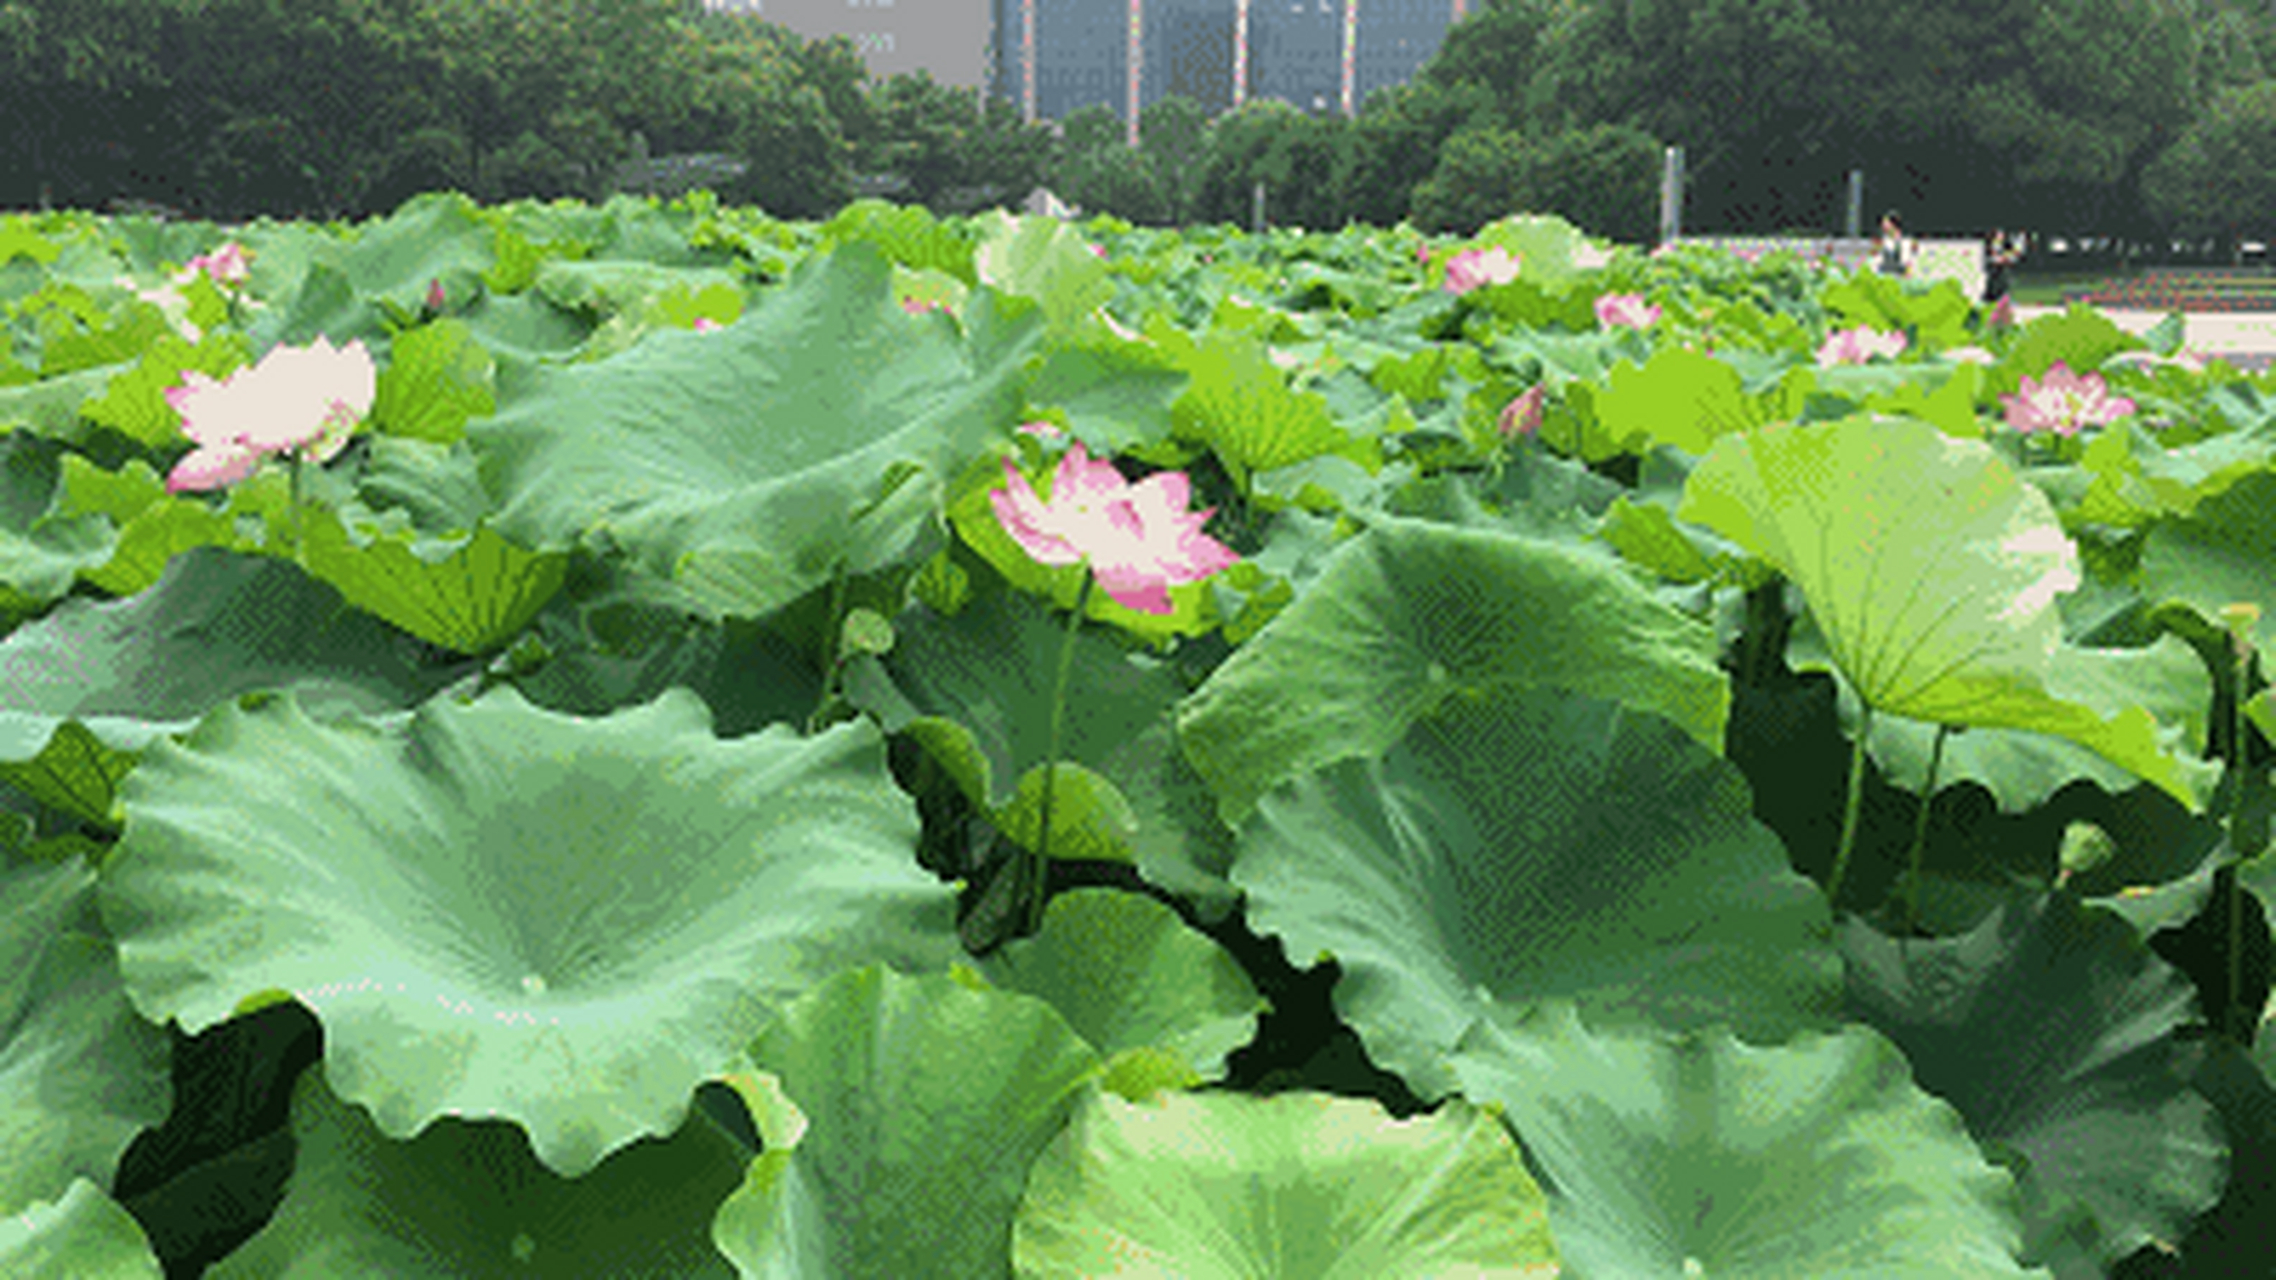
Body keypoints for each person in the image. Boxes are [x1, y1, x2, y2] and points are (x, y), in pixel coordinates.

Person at [1982, 227, 2021, 303]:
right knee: (1993, 287)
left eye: (2002, 234)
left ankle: (2004, 299)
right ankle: (1989, 298)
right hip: (1994, 268)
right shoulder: (1991, 244)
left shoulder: (2005, 244)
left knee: (2004, 283)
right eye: (2000, 234)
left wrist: (2010, 256)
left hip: (2001, 269)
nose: (2002, 235)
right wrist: (2002, 258)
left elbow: (2014, 253)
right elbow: (1993, 255)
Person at [1875, 211, 1916, 278]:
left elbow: (1895, 234)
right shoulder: (1887, 229)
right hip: (1892, 244)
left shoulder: (1893, 230)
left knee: (1901, 258)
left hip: (1896, 244)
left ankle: (1905, 272)